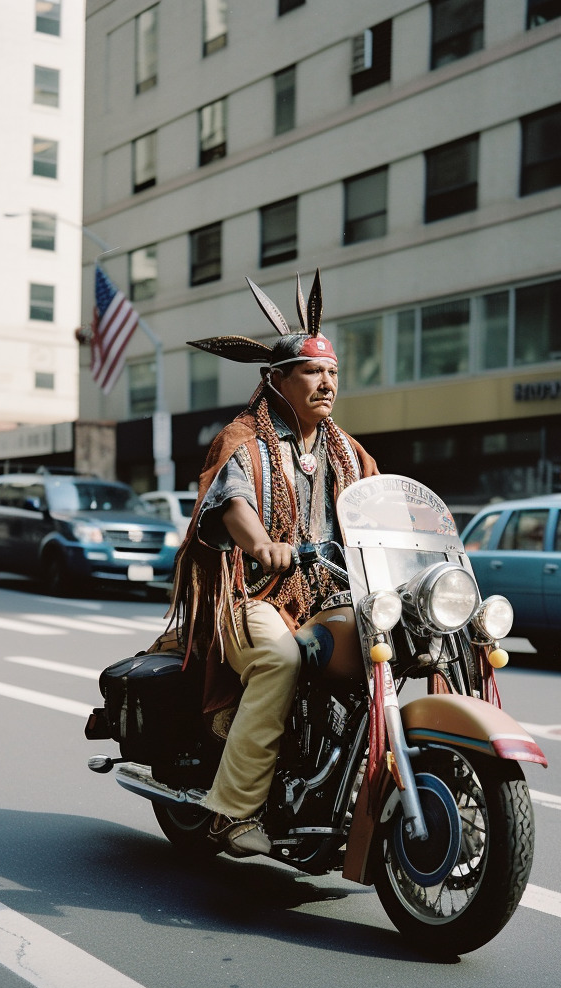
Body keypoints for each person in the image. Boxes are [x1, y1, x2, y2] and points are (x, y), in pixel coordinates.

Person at [164, 271, 378, 857]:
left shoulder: (345, 452)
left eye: (332, 372)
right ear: (277, 379)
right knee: (281, 660)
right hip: (250, 599)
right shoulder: (246, 440)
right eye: (312, 371)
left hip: (329, 597)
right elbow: (230, 500)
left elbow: (379, 510)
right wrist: (261, 544)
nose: (327, 382)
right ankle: (230, 814)